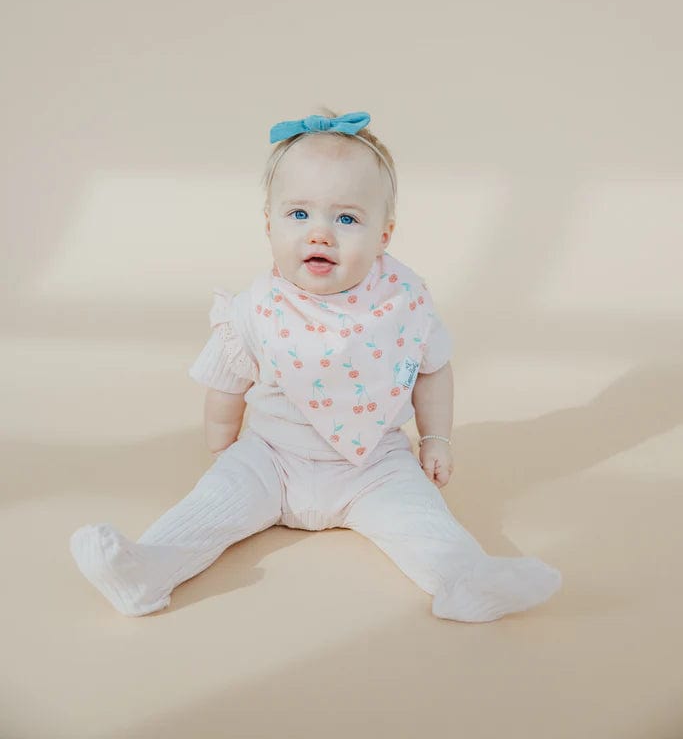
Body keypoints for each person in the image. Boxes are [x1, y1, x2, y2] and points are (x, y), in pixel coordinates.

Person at [69, 108, 562, 621]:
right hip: (273, 458)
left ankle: (466, 581)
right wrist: (222, 442)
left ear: (384, 236)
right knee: (209, 507)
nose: (320, 234)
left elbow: (433, 368)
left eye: (346, 218)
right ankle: (147, 569)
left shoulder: (403, 302)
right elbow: (227, 382)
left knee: (423, 522)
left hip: (374, 464)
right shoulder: (256, 308)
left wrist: (436, 437)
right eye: (299, 215)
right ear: (269, 224)